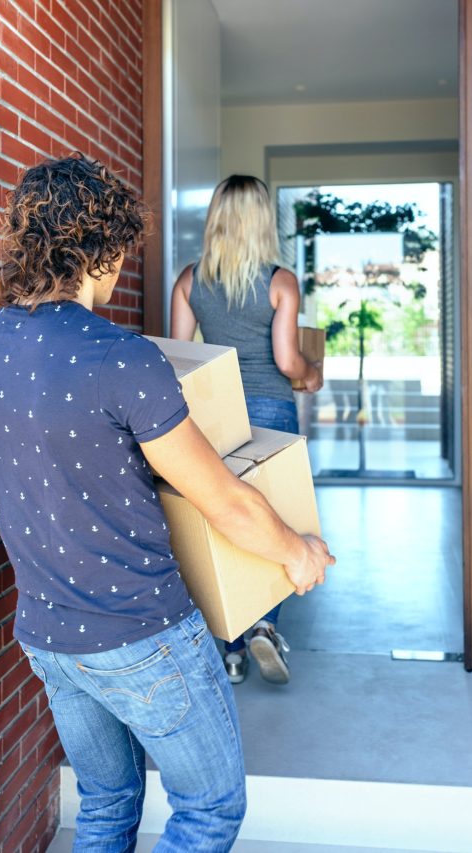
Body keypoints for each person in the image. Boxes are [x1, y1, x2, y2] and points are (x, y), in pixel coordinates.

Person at [0, 155, 334, 853]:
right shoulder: (121, 356)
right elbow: (221, 499)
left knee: (105, 805)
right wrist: (298, 552)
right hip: (141, 634)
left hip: (48, 634)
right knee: (209, 808)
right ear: (104, 246)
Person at [171, 174, 323, 687]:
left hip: (215, 420)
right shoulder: (279, 281)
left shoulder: (190, 280)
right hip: (272, 414)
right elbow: (286, 360)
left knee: (225, 519)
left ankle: (231, 651)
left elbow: (181, 358)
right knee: (278, 518)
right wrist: (311, 373)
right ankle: (264, 626)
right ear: (263, 221)